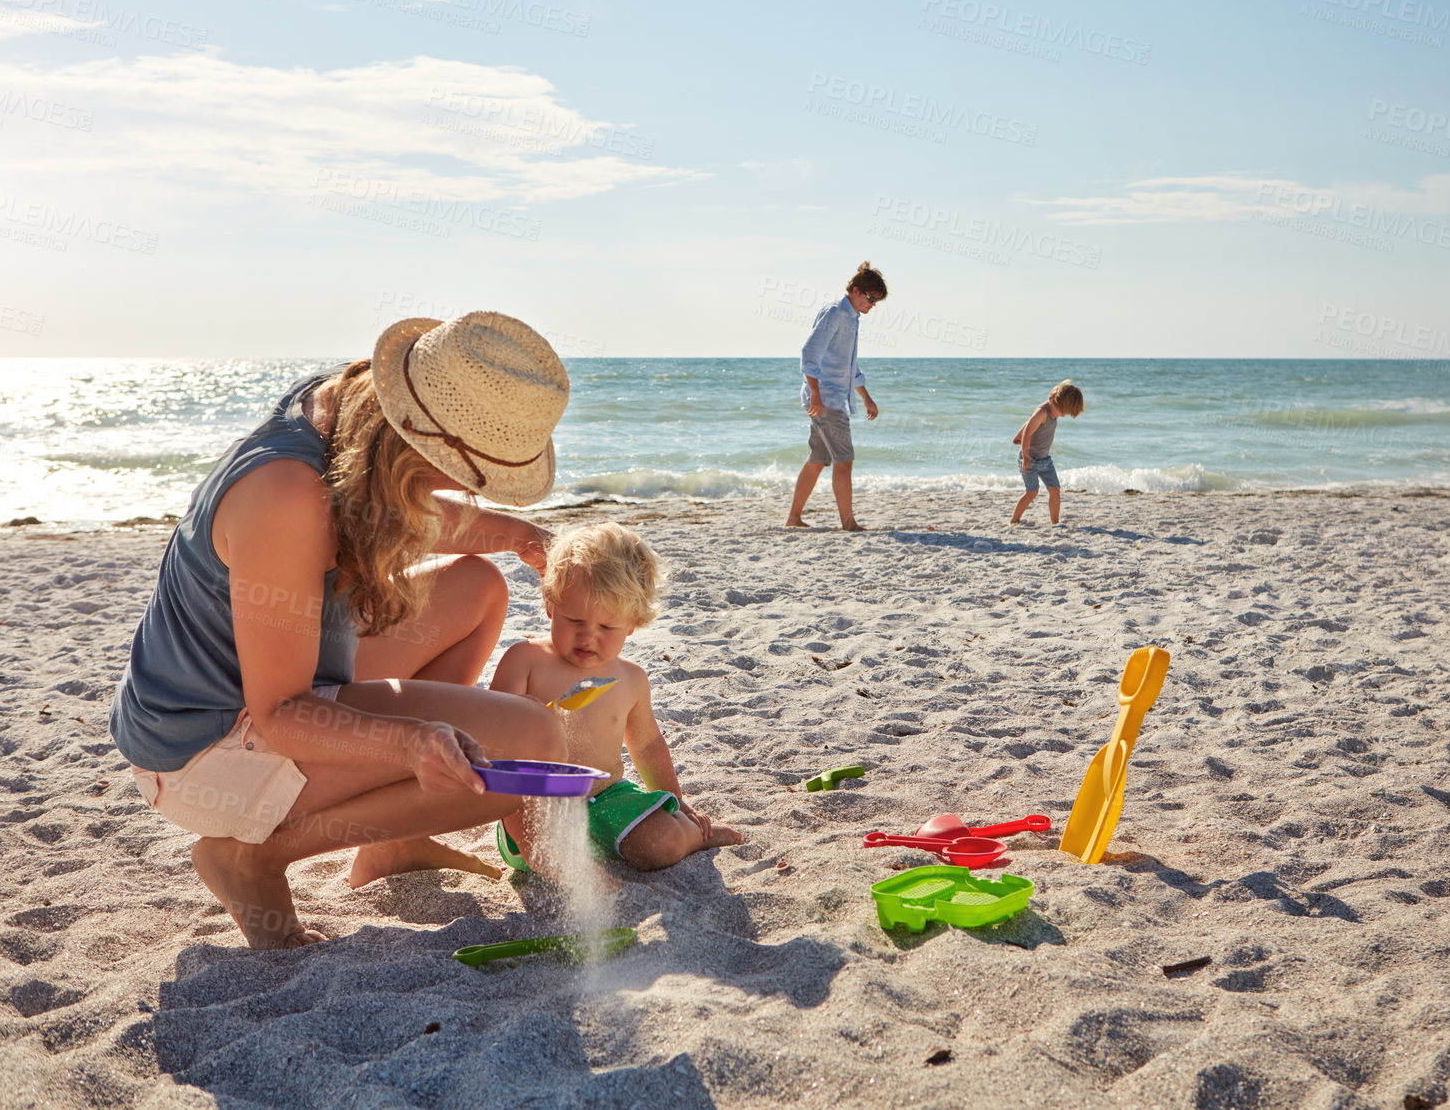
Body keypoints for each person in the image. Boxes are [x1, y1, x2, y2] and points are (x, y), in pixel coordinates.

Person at [108, 311, 574, 949]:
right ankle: (254, 858)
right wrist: (412, 746)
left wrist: (522, 537)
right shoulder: (286, 497)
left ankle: (397, 840)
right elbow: (279, 712)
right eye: (468, 474)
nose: (467, 488)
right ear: (421, 443)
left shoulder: (347, 409)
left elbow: (398, 504)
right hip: (207, 745)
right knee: (533, 747)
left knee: (477, 588)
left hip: (268, 680)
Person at [490, 522, 743, 870]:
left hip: (607, 799)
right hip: (537, 800)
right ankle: (570, 871)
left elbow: (647, 745)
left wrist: (677, 801)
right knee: (538, 848)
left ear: (633, 624)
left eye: (607, 627)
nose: (588, 637)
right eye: (574, 619)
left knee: (661, 844)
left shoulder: (630, 678)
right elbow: (490, 737)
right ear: (550, 605)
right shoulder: (525, 661)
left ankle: (695, 834)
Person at [785, 261, 886, 532]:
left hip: (831, 397)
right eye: (871, 298)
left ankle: (793, 518)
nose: (873, 305)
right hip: (826, 400)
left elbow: (849, 367)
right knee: (844, 459)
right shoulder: (835, 314)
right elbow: (809, 354)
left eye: (877, 301)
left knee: (817, 459)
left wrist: (866, 397)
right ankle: (848, 523)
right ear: (856, 291)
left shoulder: (851, 318)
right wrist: (816, 395)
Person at [1010, 379, 1086, 526]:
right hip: (1029, 459)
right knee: (1032, 492)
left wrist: (1017, 435)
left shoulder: (1052, 408)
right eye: (1062, 411)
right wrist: (1025, 456)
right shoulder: (1042, 413)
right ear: (1053, 400)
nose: (1063, 415)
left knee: (1055, 490)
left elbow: (1027, 423)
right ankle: (1014, 520)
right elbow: (1028, 432)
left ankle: (1055, 523)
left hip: (1045, 460)